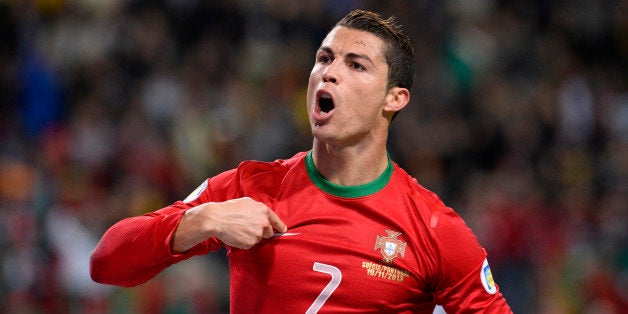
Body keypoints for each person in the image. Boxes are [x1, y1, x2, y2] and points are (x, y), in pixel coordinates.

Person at [90, 9, 512, 313]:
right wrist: (202, 220)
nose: (329, 72)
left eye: (356, 65)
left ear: (394, 98)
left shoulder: (433, 228)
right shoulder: (250, 188)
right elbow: (106, 263)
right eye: (324, 58)